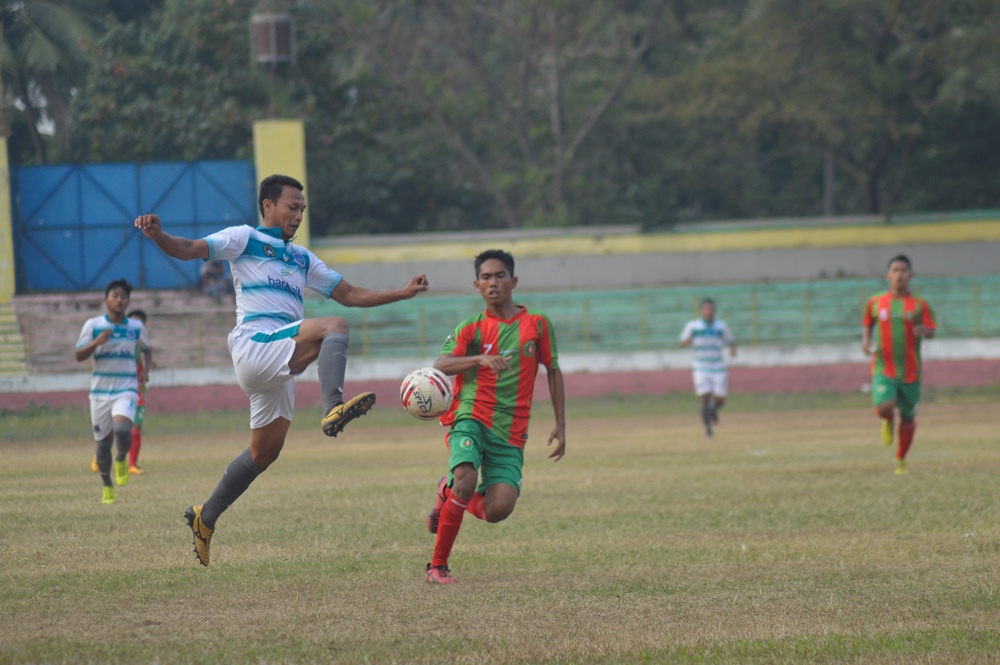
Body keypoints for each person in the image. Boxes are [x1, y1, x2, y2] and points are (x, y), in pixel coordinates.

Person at [134, 174, 429, 566]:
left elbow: (350, 294)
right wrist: (159, 236)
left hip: (280, 358)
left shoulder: (303, 258)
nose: (299, 215)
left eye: (302, 209)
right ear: (268, 206)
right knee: (334, 327)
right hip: (256, 346)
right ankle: (333, 407)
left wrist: (403, 293)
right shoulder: (244, 238)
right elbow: (189, 249)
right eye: (292, 207)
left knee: (264, 453)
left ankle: (206, 517)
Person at [424, 249, 566, 584]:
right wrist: (479, 360)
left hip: (511, 430)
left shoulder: (537, 324)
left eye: (499, 276)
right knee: (466, 480)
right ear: (476, 285)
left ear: (513, 281)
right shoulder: (471, 328)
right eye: (485, 277)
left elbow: (553, 370)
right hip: (470, 417)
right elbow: (441, 365)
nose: (493, 283)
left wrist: (561, 423)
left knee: (497, 510)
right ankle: (437, 566)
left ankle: (446, 489)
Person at [76, 279, 152, 505]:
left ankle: (121, 459)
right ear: (106, 300)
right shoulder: (93, 325)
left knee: (122, 429)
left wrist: (145, 371)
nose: (119, 300)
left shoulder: (136, 327)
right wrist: (96, 343)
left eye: (123, 297)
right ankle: (107, 485)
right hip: (99, 393)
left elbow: (147, 350)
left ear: (128, 302)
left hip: (126, 389)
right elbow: (79, 355)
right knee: (102, 444)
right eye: (115, 296)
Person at [862, 254, 936, 475]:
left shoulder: (920, 305)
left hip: (911, 372)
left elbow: (932, 330)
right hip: (883, 367)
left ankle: (900, 458)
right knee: (884, 406)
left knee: (908, 418)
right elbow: (868, 322)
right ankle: (887, 419)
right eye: (895, 270)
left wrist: (925, 331)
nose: (899, 275)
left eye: (903, 271)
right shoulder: (876, 302)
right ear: (888, 275)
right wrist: (866, 342)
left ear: (910, 275)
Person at [678, 298, 736, 437]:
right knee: (704, 397)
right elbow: (681, 343)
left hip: (717, 367)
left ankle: (713, 410)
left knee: (720, 400)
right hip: (701, 367)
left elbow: (731, 340)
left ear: (714, 311)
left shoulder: (721, 326)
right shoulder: (693, 326)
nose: (708, 312)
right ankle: (708, 429)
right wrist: (688, 340)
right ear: (701, 311)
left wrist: (733, 350)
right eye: (705, 309)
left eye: (710, 309)